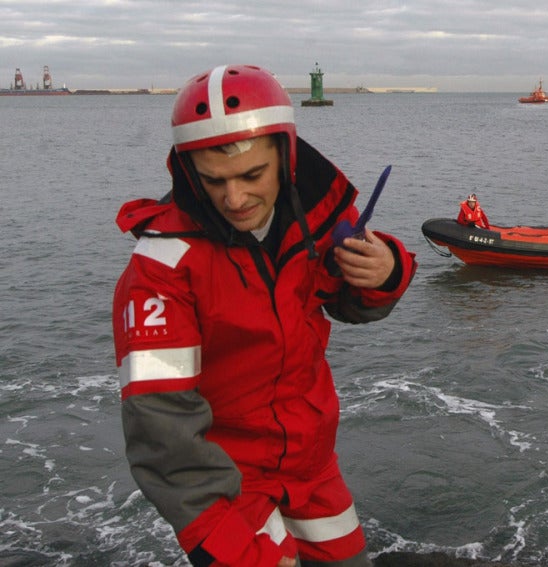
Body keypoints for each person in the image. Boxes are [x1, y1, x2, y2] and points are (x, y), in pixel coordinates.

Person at [112, 65, 417, 567]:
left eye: (252, 175)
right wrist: (226, 543)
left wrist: (385, 271)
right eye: (214, 180)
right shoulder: (160, 270)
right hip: (228, 481)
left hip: (312, 467)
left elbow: (346, 301)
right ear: (189, 173)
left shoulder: (311, 217)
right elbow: (162, 430)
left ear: (285, 156)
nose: (235, 199)